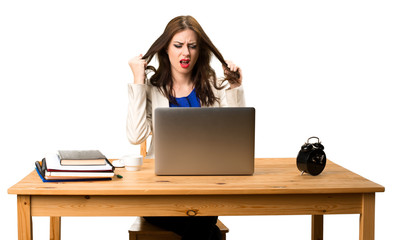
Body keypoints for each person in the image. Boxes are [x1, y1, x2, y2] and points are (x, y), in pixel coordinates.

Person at [126, 15, 245, 240]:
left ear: (200, 51)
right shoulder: (153, 88)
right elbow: (135, 135)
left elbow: (235, 137)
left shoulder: (213, 85)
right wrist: (138, 80)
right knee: (205, 231)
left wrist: (234, 87)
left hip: (205, 189)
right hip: (159, 193)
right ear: (166, 49)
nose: (186, 53)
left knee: (200, 220)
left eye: (192, 46)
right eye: (178, 46)